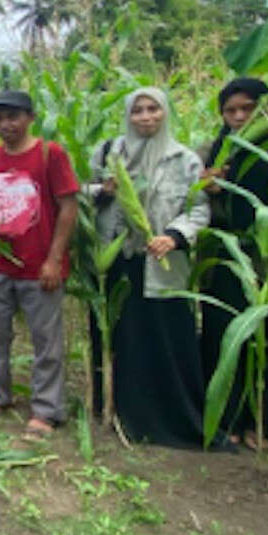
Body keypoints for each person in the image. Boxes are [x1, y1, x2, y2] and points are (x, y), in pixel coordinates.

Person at [88, 87, 211, 448]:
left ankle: (164, 418)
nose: (145, 117)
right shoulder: (109, 152)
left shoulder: (184, 160)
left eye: (153, 109)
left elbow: (199, 209)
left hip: (161, 263)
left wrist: (174, 236)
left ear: (165, 113)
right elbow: (81, 191)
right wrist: (103, 190)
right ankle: (116, 409)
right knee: (119, 337)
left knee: (162, 338)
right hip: (116, 262)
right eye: (137, 110)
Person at [198, 77, 268, 449]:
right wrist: (207, 187)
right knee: (224, 339)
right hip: (226, 257)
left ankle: (264, 424)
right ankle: (226, 421)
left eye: (247, 108)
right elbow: (195, 206)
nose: (239, 116)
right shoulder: (213, 152)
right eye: (231, 110)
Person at [0, 92, 79, 438]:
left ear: (31, 117)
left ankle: (46, 409)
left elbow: (68, 208)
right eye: (0, 118)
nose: (6, 124)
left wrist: (54, 259)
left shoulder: (50, 155)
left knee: (45, 340)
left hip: (39, 266)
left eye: (13, 116)